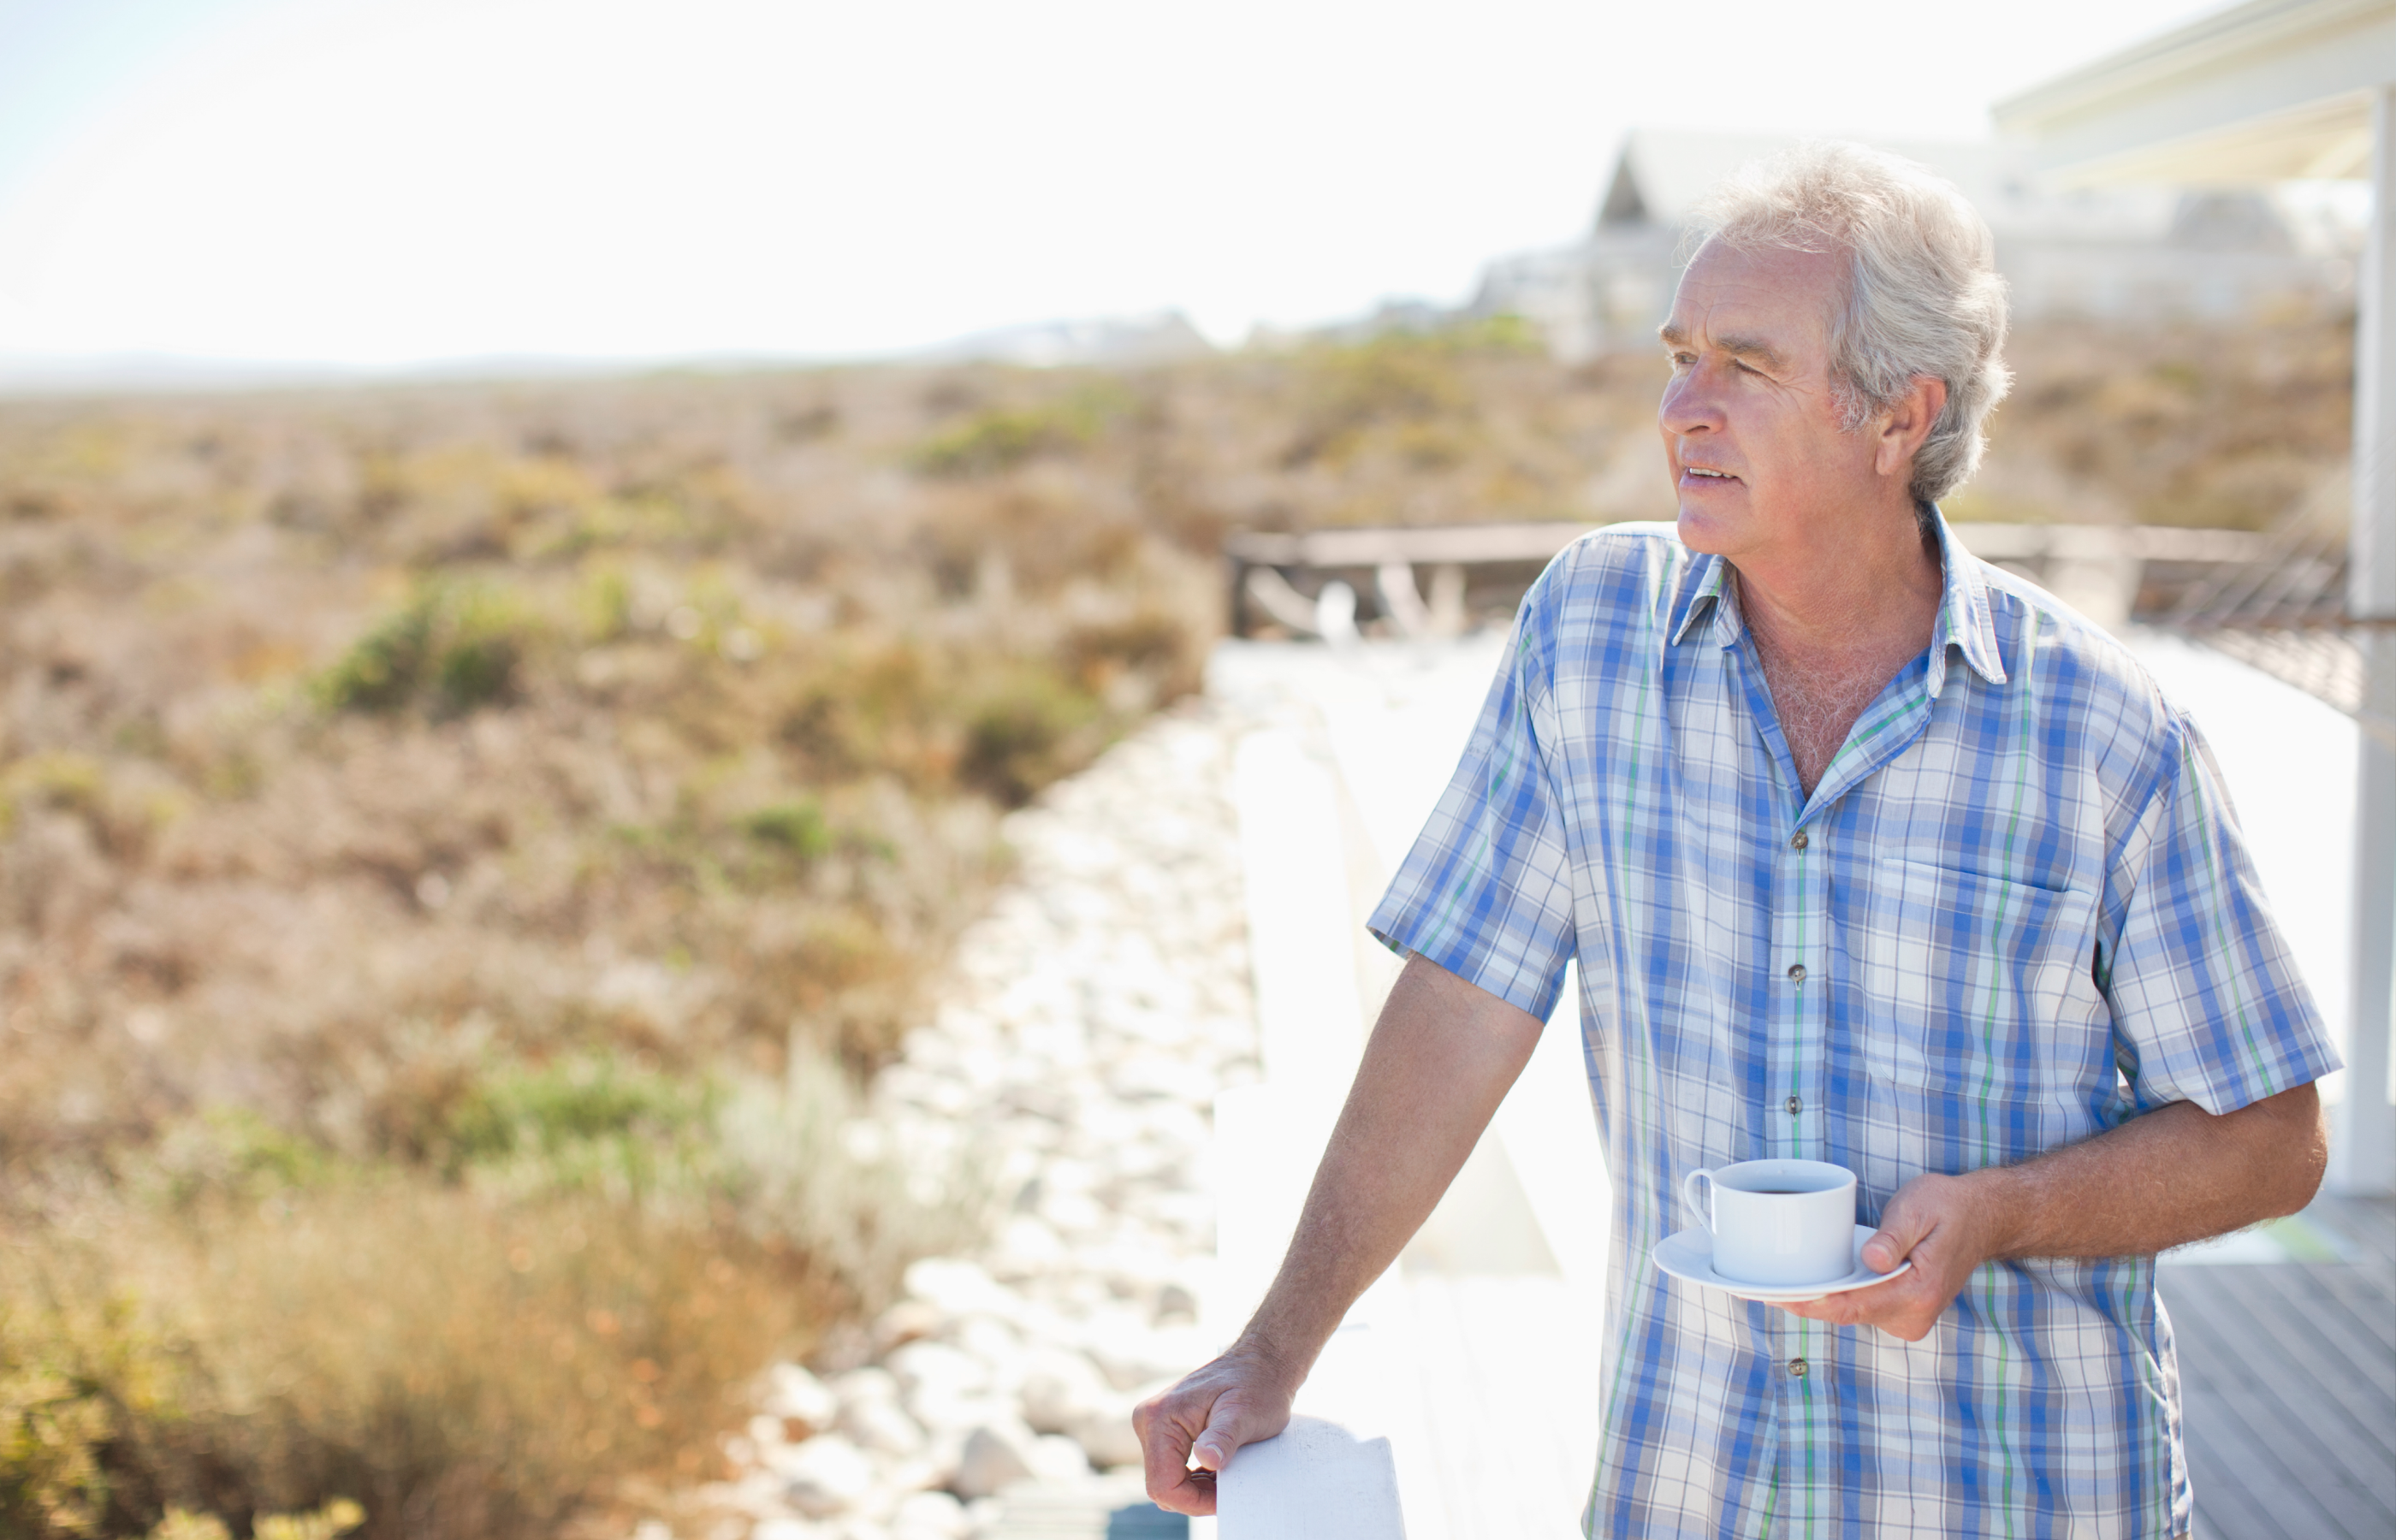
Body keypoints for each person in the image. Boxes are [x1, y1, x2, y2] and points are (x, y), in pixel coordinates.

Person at [1134, 142, 2340, 1537]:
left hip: (2021, 1496)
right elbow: (1460, 1006)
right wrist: (1275, 1348)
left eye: (1744, 368)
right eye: (1679, 356)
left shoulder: (2104, 736)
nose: (1680, 412)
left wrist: (2005, 1211)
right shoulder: (1589, 636)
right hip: (1690, 1488)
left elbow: (2274, 1138)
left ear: (1900, 416)